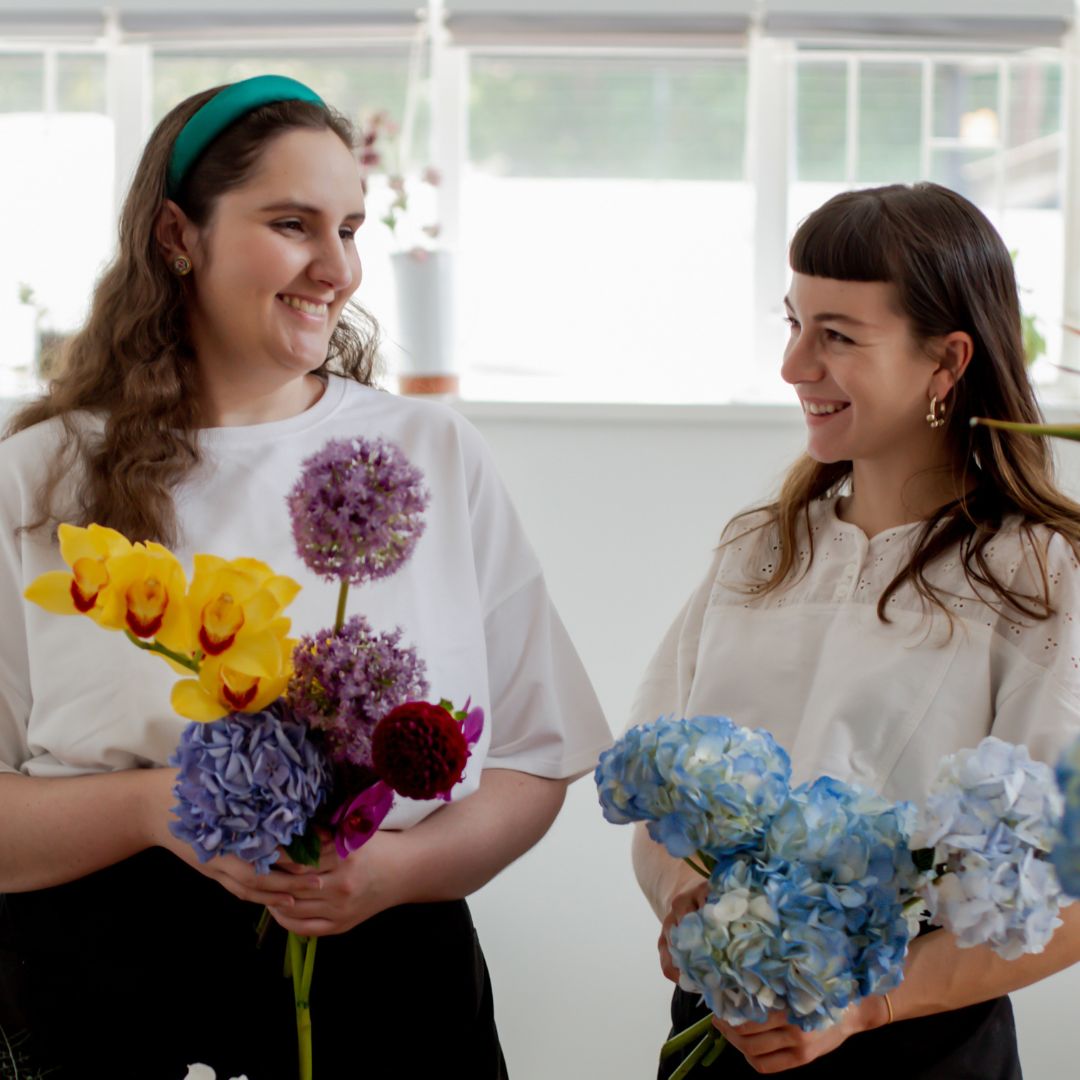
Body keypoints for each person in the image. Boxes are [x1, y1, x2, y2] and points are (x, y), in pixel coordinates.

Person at [0, 75, 611, 1078]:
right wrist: (153, 807)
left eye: (352, 228)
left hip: (389, 983)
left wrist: (399, 870)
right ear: (175, 236)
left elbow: (537, 754)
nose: (337, 267)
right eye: (292, 224)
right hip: (102, 999)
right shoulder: (39, 475)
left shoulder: (425, 453)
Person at [630, 183, 1080, 1078]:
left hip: (919, 1051)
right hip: (725, 1033)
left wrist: (866, 1003)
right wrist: (682, 896)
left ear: (947, 362)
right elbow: (657, 780)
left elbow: (1069, 891)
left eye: (836, 334)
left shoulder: (1040, 576)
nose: (795, 364)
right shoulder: (760, 550)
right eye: (792, 322)